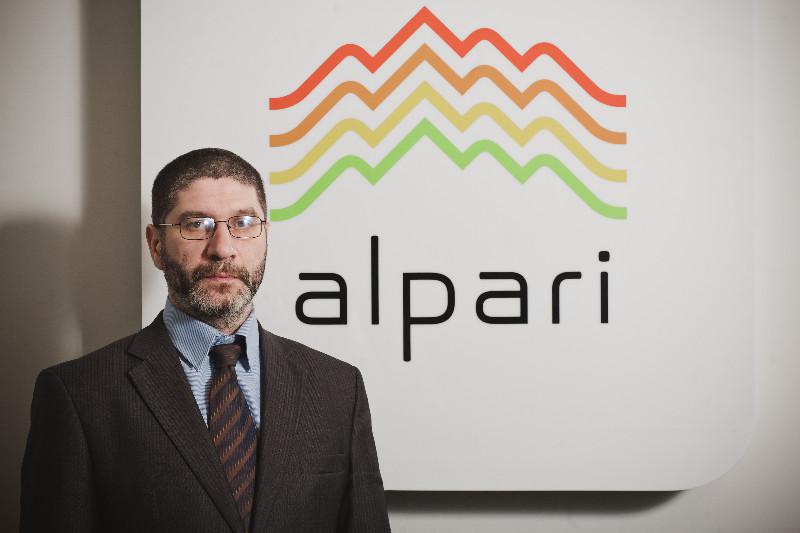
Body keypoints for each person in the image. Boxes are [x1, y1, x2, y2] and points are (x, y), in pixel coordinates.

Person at [20, 148, 391, 533]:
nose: (223, 248)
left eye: (244, 223)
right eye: (197, 224)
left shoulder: (338, 387)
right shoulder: (78, 394)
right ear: (156, 245)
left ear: (265, 235)